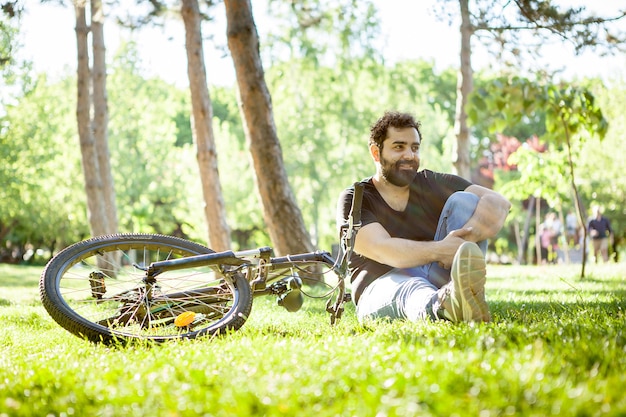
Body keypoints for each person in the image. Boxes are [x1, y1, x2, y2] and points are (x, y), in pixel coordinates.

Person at [336, 111, 511, 324]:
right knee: (411, 288)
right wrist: (442, 250)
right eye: (399, 147)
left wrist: (465, 240)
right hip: (380, 287)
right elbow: (382, 249)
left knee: (467, 202)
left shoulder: (430, 182)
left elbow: (498, 202)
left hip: (437, 276)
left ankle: (462, 295)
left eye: (415, 148)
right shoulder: (355, 198)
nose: (409, 155)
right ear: (376, 152)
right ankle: (443, 306)